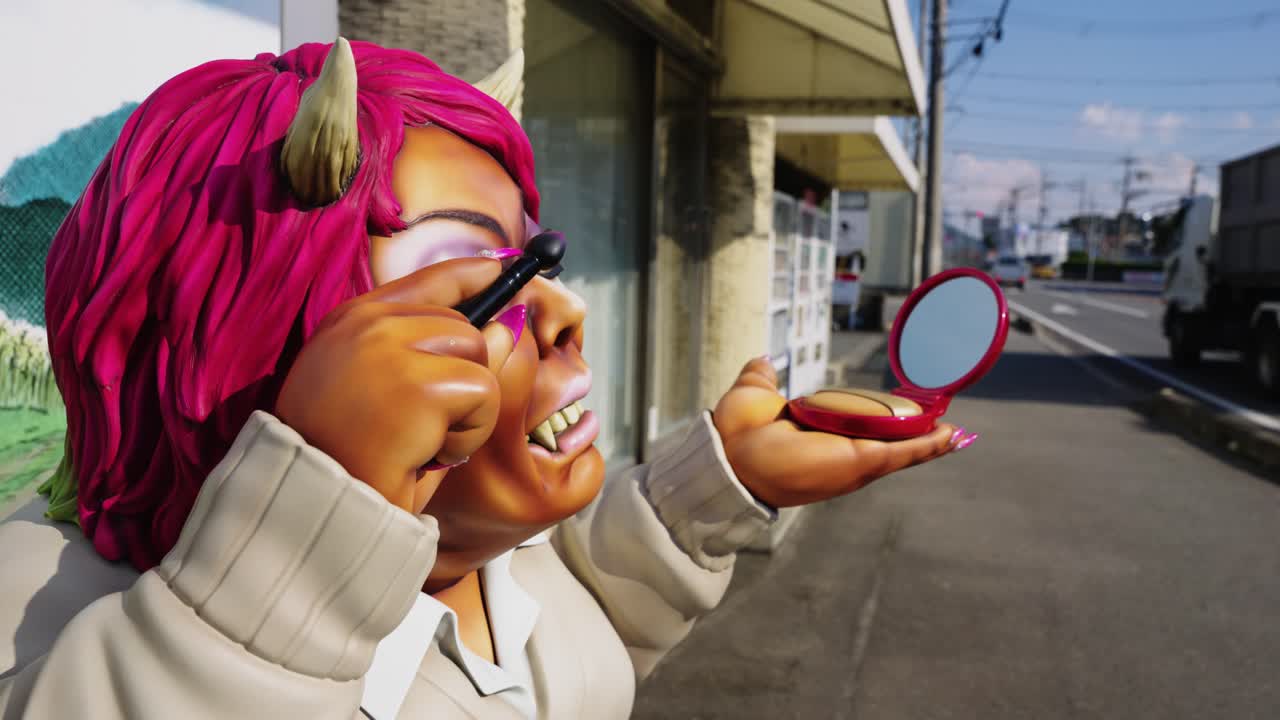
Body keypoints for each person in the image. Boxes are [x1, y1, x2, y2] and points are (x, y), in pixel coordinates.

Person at [0, 39, 969, 719]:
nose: (564, 311)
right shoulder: (38, 619)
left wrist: (713, 492)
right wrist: (308, 531)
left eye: (530, 266)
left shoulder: (489, 563)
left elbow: (565, 655)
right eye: (478, 280)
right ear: (258, 347)